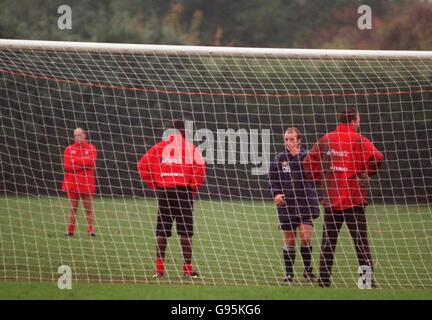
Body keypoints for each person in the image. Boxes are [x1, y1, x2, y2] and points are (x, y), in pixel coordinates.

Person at [303, 108, 385, 288]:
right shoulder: (359, 139)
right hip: (354, 199)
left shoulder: (326, 139)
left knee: (328, 242)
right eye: (358, 120)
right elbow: (378, 157)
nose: (359, 123)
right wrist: (366, 173)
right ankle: (366, 282)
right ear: (354, 120)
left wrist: (319, 179)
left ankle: (323, 281)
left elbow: (308, 162)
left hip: (332, 200)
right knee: (361, 244)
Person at [138, 119, 206, 279]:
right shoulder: (191, 148)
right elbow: (200, 169)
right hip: (184, 193)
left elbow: (141, 165)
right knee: (186, 233)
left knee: (162, 231)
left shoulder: (159, 147)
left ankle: (159, 270)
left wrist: (154, 183)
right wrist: (192, 188)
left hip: (164, 192)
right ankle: (188, 270)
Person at [268, 127, 321, 284]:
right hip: (287, 205)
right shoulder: (278, 159)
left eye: (292, 139)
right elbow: (272, 180)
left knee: (305, 237)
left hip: (305, 203)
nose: (288, 142)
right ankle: (289, 274)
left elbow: (312, 174)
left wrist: (297, 157)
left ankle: (307, 271)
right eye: (286, 139)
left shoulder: (307, 156)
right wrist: (276, 194)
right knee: (289, 240)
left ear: (299, 140)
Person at [62, 128, 97, 237]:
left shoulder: (91, 148)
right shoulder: (68, 149)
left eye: (79, 135)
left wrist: (75, 161)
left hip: (86, 183)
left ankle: (91, 231)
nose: (77, 137)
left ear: (84, 135)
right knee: (73, 208)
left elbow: (91, 162)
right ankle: (70, 231)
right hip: (72, 183)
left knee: (88, 208)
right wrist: (83, 162)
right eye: (75, 135)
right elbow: (67, 166)